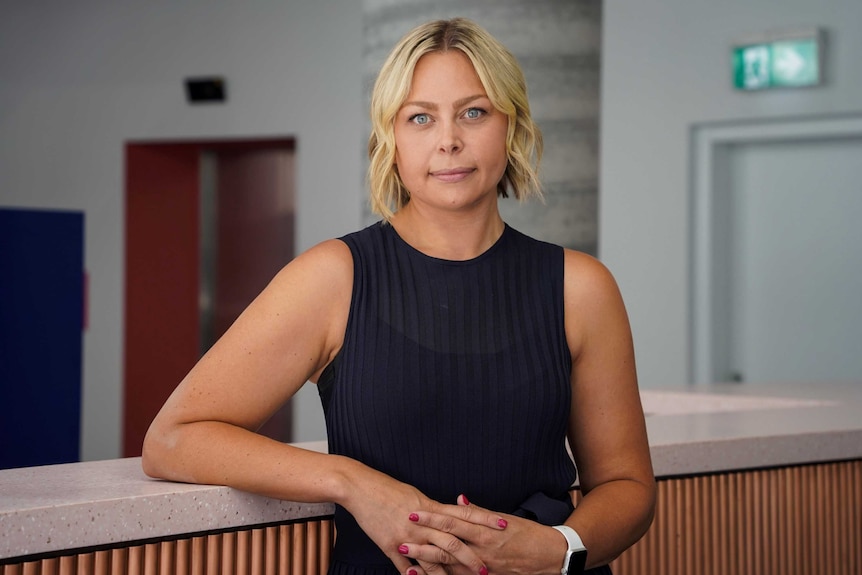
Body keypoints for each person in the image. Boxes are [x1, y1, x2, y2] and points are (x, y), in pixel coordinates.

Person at [142, 17, 655, 575]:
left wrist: (559, 550)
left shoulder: (579, 286)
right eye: (420, 118)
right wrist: (353, 482)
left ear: (512, 125)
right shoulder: (333, 278)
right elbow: (174, 439)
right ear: (391, 139)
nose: (448, 139)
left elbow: (628, 487)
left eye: (474, 111)